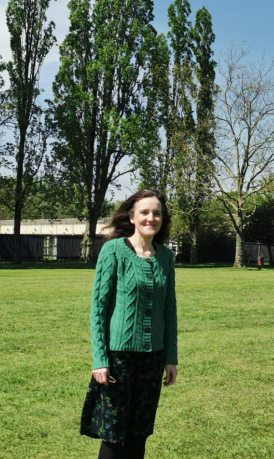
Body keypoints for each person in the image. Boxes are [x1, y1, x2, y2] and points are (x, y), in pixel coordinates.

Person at [80, 189, 178, 459]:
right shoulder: (113, 251)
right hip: (118, 359)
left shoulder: (165, 257)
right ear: (132, 217)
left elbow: (169, 310)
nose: (151, 218)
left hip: (153, 359)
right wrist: (100, 359)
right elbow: (98, 310)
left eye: (157, 213)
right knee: (113, 435)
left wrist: (170, 358)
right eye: (144, 212)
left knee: (139, 433)